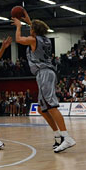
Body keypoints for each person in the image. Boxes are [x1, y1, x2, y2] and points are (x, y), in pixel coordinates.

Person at [13, 10, 76, 153]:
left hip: (44, 73)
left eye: (30, 28)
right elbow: (36, 29)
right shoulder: (45, 39)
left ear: (33, 31)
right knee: (42, 108)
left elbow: (19, 40)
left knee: (52, 106)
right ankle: (58, 135)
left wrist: (18, 26)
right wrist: (29, 20)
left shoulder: (34, 40)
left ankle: (67, 138)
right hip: (46, 73)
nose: (29, 30)